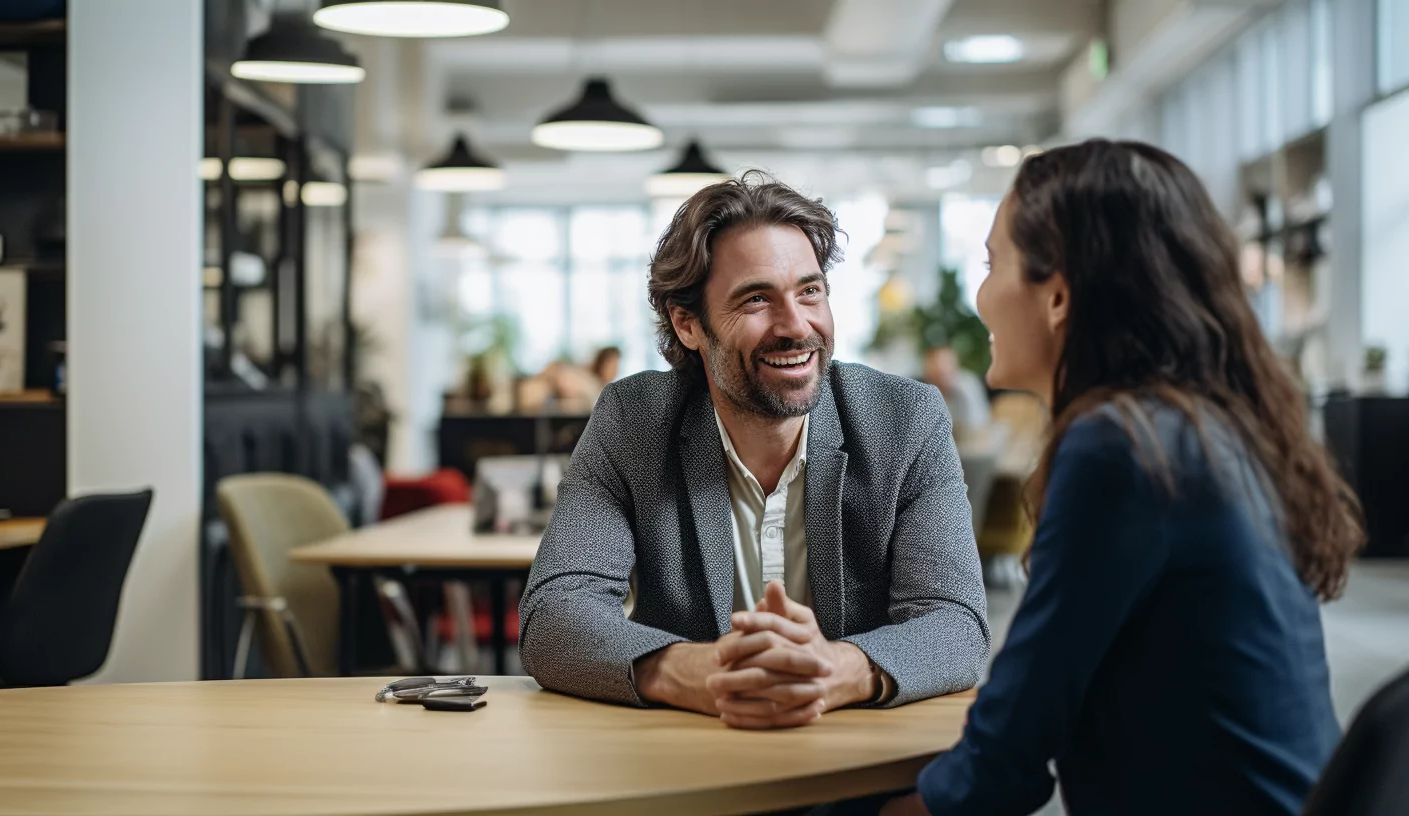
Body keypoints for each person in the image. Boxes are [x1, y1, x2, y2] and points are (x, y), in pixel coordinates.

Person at [882, 140, 1363, 815]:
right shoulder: (1211, 428)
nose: (982, 294)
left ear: (1057, 296)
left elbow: (1007, 755)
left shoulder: (1121, 449)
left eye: (993, 264)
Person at [519, 172, 989, 728]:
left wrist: (836, 669)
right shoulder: (633, 422)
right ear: (688, 324)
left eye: (810, 291)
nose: (797, 326)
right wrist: (696, 671)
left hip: (857, 768)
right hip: (690, 767)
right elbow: (551, 616)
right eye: (757, 299)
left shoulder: (906, 420)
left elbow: (957, 623)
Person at [921, 345, 991, 437]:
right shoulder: (921, 389)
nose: (941, 368)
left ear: (955, 365)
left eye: (946, 364)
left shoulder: (966, 386)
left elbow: (974, 427)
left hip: (973, 440)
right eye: (934, 366)